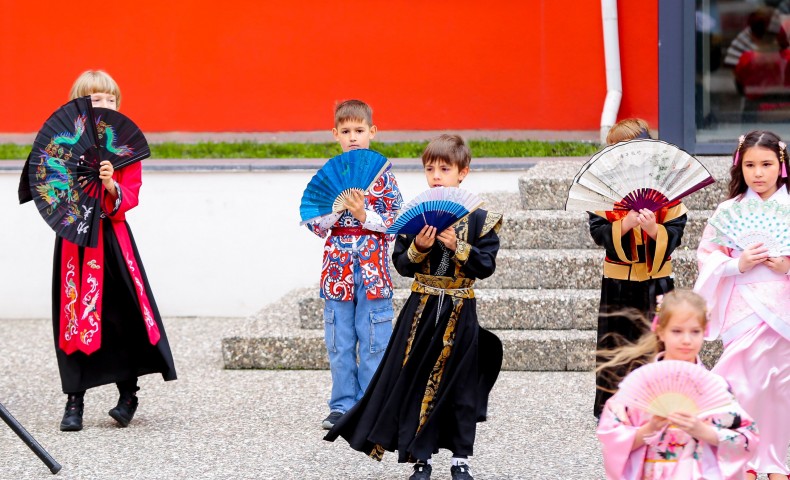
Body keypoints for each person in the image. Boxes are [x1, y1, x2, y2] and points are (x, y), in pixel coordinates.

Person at [324, 134, 503, 480]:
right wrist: (418, 249)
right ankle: (420, 458)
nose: (436, 175)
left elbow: (486, 266)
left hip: (460, 309)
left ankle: (460, 460)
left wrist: (459, 247)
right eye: (430, 168)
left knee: (460, 386)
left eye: (445, 168)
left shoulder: (482, 219)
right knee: (417, 380)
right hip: (420, 308)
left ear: (462, 173)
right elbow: (402, 265)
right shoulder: (414, 216)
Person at [17, 70, 177, 431]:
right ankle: (74, 401)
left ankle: (128, 393)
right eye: (94, 100)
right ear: (78, 108)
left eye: (110, 99)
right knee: (74, 317)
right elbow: (48, 187)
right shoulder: (65, 148)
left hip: (113, 240)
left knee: (123, 317)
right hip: (74, 242)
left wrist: (110, 183)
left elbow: (130, 198)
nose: (103, 105)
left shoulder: (125, 152)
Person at [695, 130, 790, 480]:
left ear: (782, 165)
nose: (758, 173)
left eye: (766, 164)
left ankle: (775, 462)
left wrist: (787, 266)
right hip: (742, 305)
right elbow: (707, 257)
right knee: (737, 383)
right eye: (750, 164)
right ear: (739, 166)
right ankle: (743, 457)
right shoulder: (729, 211)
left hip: (783, 308)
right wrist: (738, 264)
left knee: (780, 389)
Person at [304, 99, 402, 430]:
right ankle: (342, 404)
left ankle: (371, 404)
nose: (353, 137)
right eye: (345, 131)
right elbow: (315, 223)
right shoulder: (329, 175)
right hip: (337, 268)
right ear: (335, 134)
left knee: (375, 336)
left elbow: (395, 221)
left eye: (359, 130)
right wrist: (337, 209)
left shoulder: (383, 176)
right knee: (339, 339)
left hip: (373, 267)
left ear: (372, 132)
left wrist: (363, 215)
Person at [596, 290, 758, 479]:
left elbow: (747, 437)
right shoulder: (641, 383)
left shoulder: (715, 386)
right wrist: (649, 429)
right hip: (653, 472)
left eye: (695, 331)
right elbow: (611, 436)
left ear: (704, 332)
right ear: (661, 332)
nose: (687, 340)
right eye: (677, 331)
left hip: (697, 472)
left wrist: (703, 431)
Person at [591, 118, 688, 418]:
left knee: (657, 340)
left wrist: (653, 230)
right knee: (616, 340)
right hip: (618, 280)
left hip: (656, 280)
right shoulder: (603, 192)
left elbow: (676, 232)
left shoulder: (668, 190)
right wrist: (625, 224)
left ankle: (658, 403)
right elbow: (598, 231)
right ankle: (614, 404)